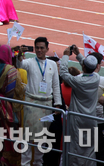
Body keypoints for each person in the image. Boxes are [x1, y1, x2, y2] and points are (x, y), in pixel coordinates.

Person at [16, 37, 62, 166]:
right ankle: (25, 163)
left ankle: (38, 163)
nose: (39, 50)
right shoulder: (29, 62)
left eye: (42, 48)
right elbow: (19, 64)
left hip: (47, 105)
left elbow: (56, 85)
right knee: (27, 136)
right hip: (31, 103)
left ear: (47, 49)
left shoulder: (52, 64)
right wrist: (19, 54)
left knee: (42, 137)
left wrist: (57, 103)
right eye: (37, 48)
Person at [59, 47, 101, 166]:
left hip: (77, 118)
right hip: (91, 119)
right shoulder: (96, 78)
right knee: (90, 148)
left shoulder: (78, 81)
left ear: (83, 67)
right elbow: (87, 66)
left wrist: (66, 55)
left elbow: (63, 73)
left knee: (75, 147)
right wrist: (78, 55)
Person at [0, 45, 24, 166]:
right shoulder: (12, 70)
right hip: (5, 105)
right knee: (8, 133)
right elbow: (13, 92)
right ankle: (6, 159)